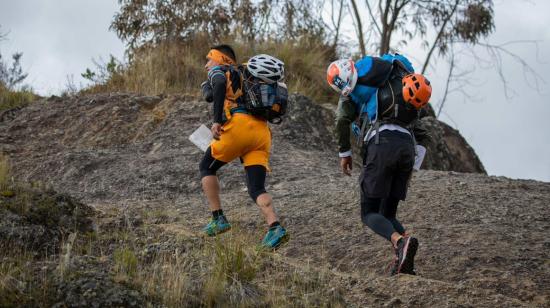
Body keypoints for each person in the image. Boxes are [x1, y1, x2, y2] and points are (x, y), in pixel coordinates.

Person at [327, 54, 432, 275]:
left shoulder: (357, 92)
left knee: (369, 213)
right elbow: (424, 135)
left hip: (381, 145)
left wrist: (344, 153)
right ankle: (403, 258)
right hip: (406, 149)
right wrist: (412, 168)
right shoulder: (398, 85)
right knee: (389, 213)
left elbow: (341, 120)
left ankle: (399, 242)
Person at [199, 45, 288, 249]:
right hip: (261, 133)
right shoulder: (248, 75)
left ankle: (218, 219)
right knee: (256, 187)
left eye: (209, 59)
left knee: (206, 167)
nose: (206, 64)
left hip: (237, 127)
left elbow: (218, 85)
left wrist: (216, 121)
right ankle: (275, 227)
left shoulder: (221, 70)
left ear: (220, 59)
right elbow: (211, 94)